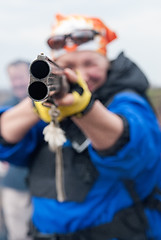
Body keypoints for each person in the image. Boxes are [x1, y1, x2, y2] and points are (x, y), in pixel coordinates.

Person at [0, 13, 161, 240]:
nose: (82, 74)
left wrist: (85, 108)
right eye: (69, 65)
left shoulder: (127, 100)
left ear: (107, 63)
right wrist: (37, 107)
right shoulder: (48, 102)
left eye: (89, 63)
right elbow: (6, 138)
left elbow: (135, 152)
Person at [0, 60, 32, 240]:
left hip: (45, 187)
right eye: (13, 79)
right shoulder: (6, 110)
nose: (17, 83)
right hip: (14, 186)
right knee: (18, 234)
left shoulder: (49, 105)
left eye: (21, 77)